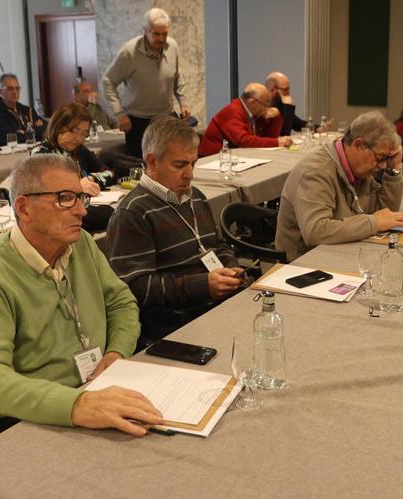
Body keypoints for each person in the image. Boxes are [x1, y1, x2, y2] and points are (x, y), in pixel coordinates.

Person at [0, 154, 160, 434]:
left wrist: (116, 353)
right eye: (65, 198)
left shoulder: (81, 245)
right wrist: (77, 405)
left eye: (80, 197)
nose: (81, 211)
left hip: (103, 389)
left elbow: (121, 303)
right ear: (24, 208)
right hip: (44, 417)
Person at [106, 116, 244, 342]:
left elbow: (216, 245)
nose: (189, 174)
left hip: (214, 306)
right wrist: (203, 285)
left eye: (193, 163)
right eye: (180, 165)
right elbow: (135, 288)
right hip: (175, 324)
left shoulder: (195, 197)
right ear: (152, 162)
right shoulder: (133, 212)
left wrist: (230, 267)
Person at [275, 111, 403, 261]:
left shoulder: (358, 167)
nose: (382, 165)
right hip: (302, 264)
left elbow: (386, 214)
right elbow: (316, 231)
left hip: (340, 253)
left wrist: (394, 169)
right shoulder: (316, 172)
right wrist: (373, 222)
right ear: (358, 145)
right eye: (380, 158)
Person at [102, 8, 189, 156]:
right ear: (145, 31)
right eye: (156, 34)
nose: (161, 39)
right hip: (137, 122)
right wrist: (119, 114)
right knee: (141, 165)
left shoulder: (172, 46)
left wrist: (184, 102)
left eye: (165, 34)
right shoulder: (129, 52)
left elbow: (177, 75)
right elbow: (108, 81)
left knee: (169, 160)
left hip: (165, 117)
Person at [31, 103, 116, 233]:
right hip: (57, 213)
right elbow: (45, 192)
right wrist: (77, 187)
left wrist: (91, 178)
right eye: (73, 131)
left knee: (112, 213)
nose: (79, 139)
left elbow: (110, 173)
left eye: (84, 134)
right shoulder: (41, 154)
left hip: (84, 205)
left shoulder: (79, 151)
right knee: (112, 214)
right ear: (57, 126)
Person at [198, 83, 290, 155]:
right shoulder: (233, 110)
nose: (267, 108)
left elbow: (268, 138)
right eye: (265, 105)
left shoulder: (254, 113)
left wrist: (275, 118)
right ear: (253, 102)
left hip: (235, 156)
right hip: (212, 159)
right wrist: (277, 142)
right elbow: (244, 140)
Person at [0, 73, 45, 147]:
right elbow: (9, 139)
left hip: (31, 152)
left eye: (17, 88)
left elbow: (47, 129)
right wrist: (34, 131)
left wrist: (24, 133)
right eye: (10, 89)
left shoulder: (27, 110)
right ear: (0, 91)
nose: (14, 92)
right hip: (6, 156)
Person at [264, 71, 308, 135]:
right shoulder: (263, 106)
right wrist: (288, 106)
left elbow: (297, 124)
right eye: (285, 89)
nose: (289, 93)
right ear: (273, 90)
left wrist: (320, 127)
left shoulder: (278, 103)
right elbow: (283, 134)